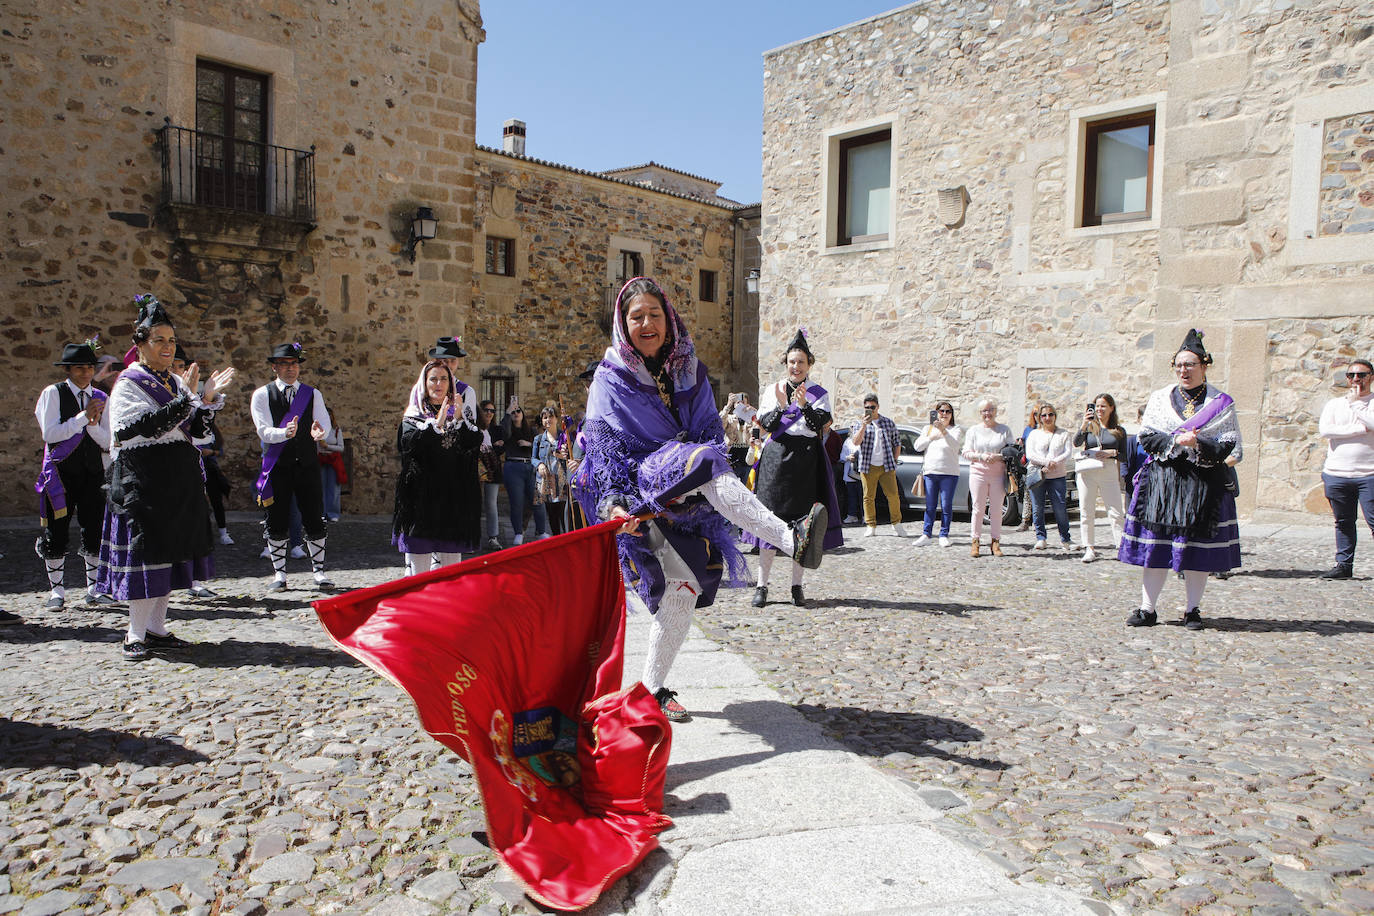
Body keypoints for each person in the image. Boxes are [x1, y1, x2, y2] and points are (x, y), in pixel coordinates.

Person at [576, 277, 827, 722]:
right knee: (709, 460)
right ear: (623, 322)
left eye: (655, 314)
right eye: (637, 317)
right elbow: (601, 447)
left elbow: (709, 428)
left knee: (682, 591)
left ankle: (652, 689)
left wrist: (699, 477)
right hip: (641, 484)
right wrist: (615, 503)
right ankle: (792, 539)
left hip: (687, 491)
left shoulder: (689, 369)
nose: (647, 323)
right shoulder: (609, 378)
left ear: (668, 319)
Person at [98, 294, 234, 660]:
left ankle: (157, 630)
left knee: (172, 555)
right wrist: (189, 397)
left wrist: (204, 402)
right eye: (159, 340)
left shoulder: (174, 383)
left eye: (171, 341)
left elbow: (197, 432)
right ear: (140, 345)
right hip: (145, 479)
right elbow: (136, 428)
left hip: (178, 477)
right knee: (149, 555)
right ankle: (134, 634)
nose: (167, 347)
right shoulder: (130, 381)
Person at [1119, 329, 1242, 631]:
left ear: (1204, 366)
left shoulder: (1220, 402)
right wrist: (1178, 443)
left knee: (1197, 551)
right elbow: (1147, 436)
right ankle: (1148, 609)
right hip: (1163, 481)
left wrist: (1198, 444)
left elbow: (1228, 442)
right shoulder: (1159, 398)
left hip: (1203, 484)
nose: (1184, 371)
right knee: (1156, 549)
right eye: (1179, 366)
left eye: (1190, 365)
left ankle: (1193, 610)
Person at [745, 329, 844, 608]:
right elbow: (766, 424)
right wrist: (783, 406)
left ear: (809, 364)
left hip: (806, 463)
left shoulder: (818, 394)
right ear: (786, 363)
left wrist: (803, 405)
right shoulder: (772, 390)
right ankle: (762, 586)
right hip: (776, 461)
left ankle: (796, 587)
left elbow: (820, 425)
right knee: (768, 524)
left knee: (804, 526)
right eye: (792, 361)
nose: (796, 366)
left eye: (801, 362)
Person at [34, 337, 115, 609]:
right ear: (68, 370)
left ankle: (94, 588)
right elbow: (50, 434)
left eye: (90, 367)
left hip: (93, 473)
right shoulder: (53, 393)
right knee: (56, 531)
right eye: (79, 368)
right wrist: (82, 418)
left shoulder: (102, 397)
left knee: (93, 530)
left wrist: (91, 424)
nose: (85, 373)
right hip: (60, 475)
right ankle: (57, 591)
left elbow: (107, 440)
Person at [251, 341, 333, 591]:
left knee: (314, 516)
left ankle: (319, 572)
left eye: (294, 364)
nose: (291, 369)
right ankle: (280, 575)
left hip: (306, 464)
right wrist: (283, 433)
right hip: (278, 466)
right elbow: (263, 431)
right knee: (276, 518)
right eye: (285, 364)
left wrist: (321, 432)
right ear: (275, 367)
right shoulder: (262, 394)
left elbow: (324, 422)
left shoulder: (312, 393)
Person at [393, 359, 483, 575]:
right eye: (433, 379)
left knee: (451, 574)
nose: (438, 384)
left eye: (444, 379)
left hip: (451, 503)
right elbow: (409, 447)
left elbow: (472, 446)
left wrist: (459, 418)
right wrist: (438, 423)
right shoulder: (413, 417)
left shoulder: (461, 418)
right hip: (420, 503)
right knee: (419, 574)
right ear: (424, 383)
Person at [1317, 357, 1374, 579]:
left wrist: (1354, 405)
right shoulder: (1334, 404)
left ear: (1371, 377)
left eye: (1361, 375)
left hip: (1369, 474)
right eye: (1351, 375)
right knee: (1343, 522)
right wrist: (1358, 429)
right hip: (1337, 474)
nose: (1356, 379)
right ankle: (1343, 565)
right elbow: (1326, 430)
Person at [1073, 393, 1127, 562]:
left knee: (1116, 511)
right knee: (1086, 511)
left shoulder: (1118, 430)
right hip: (1088, 470)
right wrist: (1083, 424)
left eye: (1103, 406)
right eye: (1097, 406)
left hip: (1108, 469)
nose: (1099, 409)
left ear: (1111, 408)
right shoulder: (1089, 427)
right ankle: (1089, 547)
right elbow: (1076, 442)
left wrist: (1112, 452)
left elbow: (1125, 456)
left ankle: (1121, 547)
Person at [962, 398, 1015, 557]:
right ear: (980, 413)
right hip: (978, 472)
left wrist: (998, 456)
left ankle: (995, 541)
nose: (988, 413)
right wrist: (981, 456)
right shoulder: (973, 430)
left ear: (995, 411)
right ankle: (975, 541)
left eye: (990, 409)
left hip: (998, 473)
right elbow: (966, 452)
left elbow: (1012, 450)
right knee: (978, 508)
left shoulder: (1004, 430)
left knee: (997, 509)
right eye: (984, 411)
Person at [850, 393, 907, 538]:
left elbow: (897, 442)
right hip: (868, 465)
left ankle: (896, 524)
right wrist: (864, 425)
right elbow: (856, 442)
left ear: (878, 407)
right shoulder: (859, 423)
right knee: (868, 497)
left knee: (893, 495)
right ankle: (870, 525)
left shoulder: (888, 422)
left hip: (886, 464)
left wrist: (895, 459)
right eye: (867, 408)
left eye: (872, 407)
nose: (870, 410)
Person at [1025, 403, 1073, 551]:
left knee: (1060, 508)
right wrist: (1046, 462)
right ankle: (1041, 537)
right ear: (1039, 418)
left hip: (1057, 475)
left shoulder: (1063, 434)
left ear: (1055, 416)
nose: (1047, 418)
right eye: (1044, 415)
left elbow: (1067, 453)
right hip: (1038, 474)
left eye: (1050, 414)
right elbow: (1030, 454)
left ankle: (1066, 538)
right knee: (1038, 508)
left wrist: (1053, 463)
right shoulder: (1034, 434)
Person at [913, 401, 961, 547]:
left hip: (949, 472)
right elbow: (917, 446)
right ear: (936, 412)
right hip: (931, 471)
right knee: (930, 505)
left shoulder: (955, 429)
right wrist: (931, 437)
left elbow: (955, 446)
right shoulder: (928, 428)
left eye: (948, 411)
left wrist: (944, 431)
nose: (944, 414)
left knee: (946, 505)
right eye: (941, 411)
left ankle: (944, 534)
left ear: (951, 415)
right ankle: (926, 534)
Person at [501, 397, 546, 545]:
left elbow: (540, 446)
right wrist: (507, 413)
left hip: (530, 467)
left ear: (523, 414)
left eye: (518, 410)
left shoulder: (530, 430)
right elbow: (505, 434)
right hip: (513, 467)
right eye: (513, 412)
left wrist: (528, 443)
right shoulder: (508, 430)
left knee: (538, 501)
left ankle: (541, 531)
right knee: (517, 502)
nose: (516, 413)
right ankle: (518, 533)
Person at [477, 398, 504, 549]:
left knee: (491, 504)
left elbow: (501, 449)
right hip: (476, 468)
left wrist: (493, 447)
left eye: (492, 410)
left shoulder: (496, 429)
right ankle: (474, 537)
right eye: (486, 410)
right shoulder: (473, 427)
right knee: (474, 503)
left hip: (492, 469)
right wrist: (493, 446)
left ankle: (493, 537)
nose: (489, 413)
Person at [719, 391, 755, 481]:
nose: (740, 405)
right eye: (738, 402)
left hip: (747, 458)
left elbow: (760, 429)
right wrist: (728, 405)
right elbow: (720, 423)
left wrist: (753, 414)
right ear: (734, 405)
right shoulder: (730, 418)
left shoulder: (752, 418)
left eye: (743, 403)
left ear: (747, 404)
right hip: (732, 459)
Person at [318, 408, 346, 522]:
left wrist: (327, 447)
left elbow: (341, 447)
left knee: (333, 488)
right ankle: (322, 513)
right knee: (321, 487)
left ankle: (333, 512)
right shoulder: (319, 430)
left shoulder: (336, 430)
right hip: (321, 460)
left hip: (333, 461)